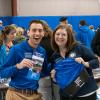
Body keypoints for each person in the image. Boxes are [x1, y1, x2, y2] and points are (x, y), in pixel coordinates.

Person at [0, 20, 49, 100]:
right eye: (34, 30)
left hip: (34, 94)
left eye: (40, 31)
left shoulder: (42, 51)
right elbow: (2, 72)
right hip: (16, 94)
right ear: (28, 32)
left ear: (43, 33)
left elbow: (43, 71)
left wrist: (55, 69)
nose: (37, 33)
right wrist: (18, 66)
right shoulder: (16, 49)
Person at [50, 25, 99, 100]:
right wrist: (54, 77)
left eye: (63, 34)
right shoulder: (55, 56)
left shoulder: (78, 48)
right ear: (54, 36)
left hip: (85, 93)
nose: (60, 37)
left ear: (68, 37)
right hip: (67, 94)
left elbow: (96, 62)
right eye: (57, 34)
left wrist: (85, 63)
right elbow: (58, 78)